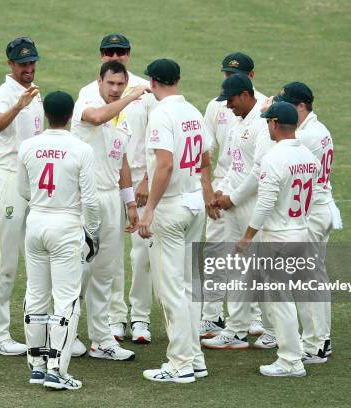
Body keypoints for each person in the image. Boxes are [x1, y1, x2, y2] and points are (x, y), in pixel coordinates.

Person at [138, 59, 215, 383]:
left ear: (153, 82)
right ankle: (194, 359)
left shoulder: (161, 115)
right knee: (187, 286)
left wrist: (150, 208)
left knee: (171, 290)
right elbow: (206, 156)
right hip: (194, 204)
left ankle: (180, 364)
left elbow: (165, 165)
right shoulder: (193, 112)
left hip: (171, 208)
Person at [17, 91, 100, 390]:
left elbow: (23, 189)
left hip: (36, 221)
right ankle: (56, 370)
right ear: (72, 114)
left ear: (46, 115)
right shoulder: (81, 149)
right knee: (66, 299)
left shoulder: (28, 147)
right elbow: (90, 200)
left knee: (36, 295)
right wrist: (93, 232)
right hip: (65, 225)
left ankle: (37, 364)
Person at [79, 33, 156, 344]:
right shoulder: (89, 92)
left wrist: (149, 180)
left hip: (139, 176)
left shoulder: (144, 90)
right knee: (105, 257)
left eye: (121, 51)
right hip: (103, 182)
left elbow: (156, 138)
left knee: (142, 255)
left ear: (129, 54)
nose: (116, 55)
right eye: (110, 51)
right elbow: (96, 122)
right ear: (101, 56)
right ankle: (115, 318)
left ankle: (140, 318)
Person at [237, 101, 319, 377]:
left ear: (273, 124)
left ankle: (290, 361)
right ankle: (304, 349)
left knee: (281, 301)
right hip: (302, 233)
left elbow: (265, 204)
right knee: (296, 296)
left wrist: (247, 237)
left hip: (278, 238)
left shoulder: (274, 158)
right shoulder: (309, 157)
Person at [71, 60, 146, 361]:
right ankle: (67, 333)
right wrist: (130, 96)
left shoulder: (123, 121)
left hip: (111, 200)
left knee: (105, 271)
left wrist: (129, 203)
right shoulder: (85, 105)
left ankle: (101, 339)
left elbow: (123, 163)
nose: (115, 90)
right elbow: (99, 116)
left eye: (121, 85)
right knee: (79, 270)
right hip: (83, 200)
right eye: (111, 84)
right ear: (100, 82)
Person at [202, 74, 276, 350]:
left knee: (258, 271)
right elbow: (235, 164)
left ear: (246, 95)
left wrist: (232, 198)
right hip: (235, 202)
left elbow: (259, 171)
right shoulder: (238, 120)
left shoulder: (262, 122)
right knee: (238, 268)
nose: (228, 106)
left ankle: (271, 330)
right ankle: (236, 330)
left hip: (252, 205)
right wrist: (220, 192)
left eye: (231, 101)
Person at [0, 36, 44, 356]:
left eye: (32, 62)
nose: (29, 68)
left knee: (33, 257)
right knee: (4, 261)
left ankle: (27, 328)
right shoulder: (6, 93)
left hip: (29, 180)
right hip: (7, 178)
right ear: (10, 65)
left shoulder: (34, 91)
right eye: (23, 64)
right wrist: (18, 105)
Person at [274, 82, 342, 363]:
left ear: (302, 106)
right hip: (319, 208)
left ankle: (316, 344)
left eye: (289, 105)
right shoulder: (318, 129)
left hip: (313, 212)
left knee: (307, 281)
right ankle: (318, 340)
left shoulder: (308, 136)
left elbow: (281, 151)